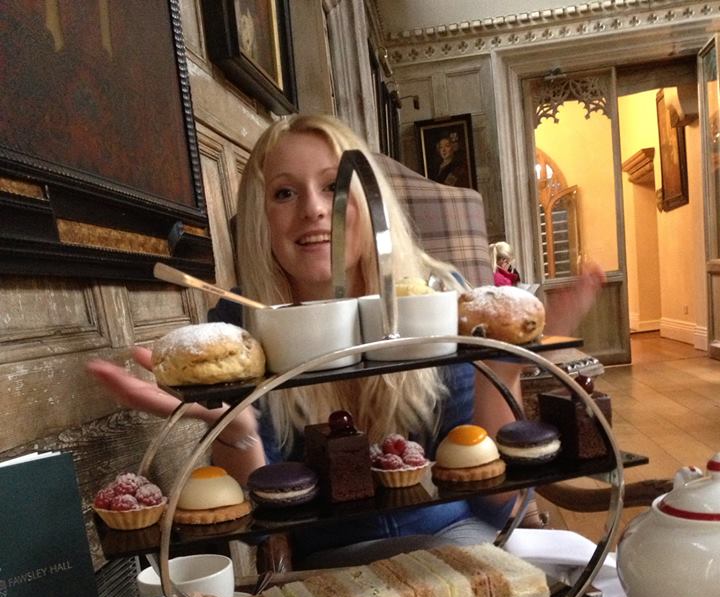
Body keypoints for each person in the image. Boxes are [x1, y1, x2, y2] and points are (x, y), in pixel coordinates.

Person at [87, 113, 602, 566]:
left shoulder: (438, 302)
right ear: (261, 219)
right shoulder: (238, 331)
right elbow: (266, 532)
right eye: (284, 193)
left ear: (369, 201)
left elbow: (497, 503)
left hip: (458, 537)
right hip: (331, 563)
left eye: (333, 185)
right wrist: (236, 432)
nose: (314, 209)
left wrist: (505, 366)